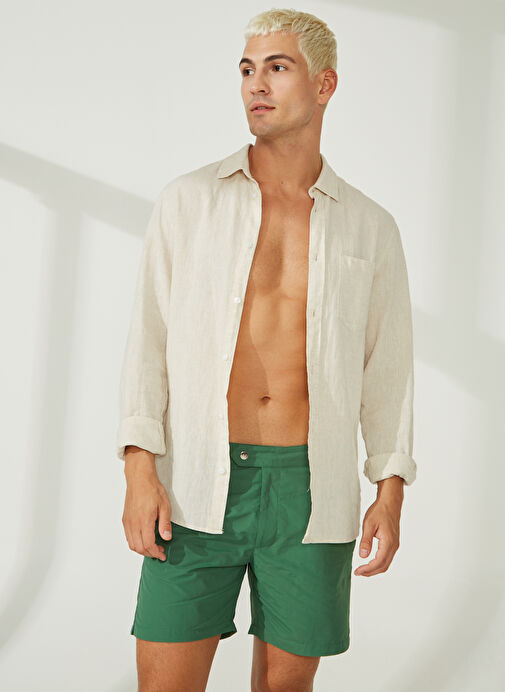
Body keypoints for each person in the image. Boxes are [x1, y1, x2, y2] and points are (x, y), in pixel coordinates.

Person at [116, 8, 417, 692]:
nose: (257, 83)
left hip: (309, 491)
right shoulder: (189, 201)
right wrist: (139, 469)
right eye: (248, 69)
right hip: (194, 483)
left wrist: (389, 488)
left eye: (277, 68)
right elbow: (147, 343)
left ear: (324, 85)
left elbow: (388, 369)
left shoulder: (369, 227)